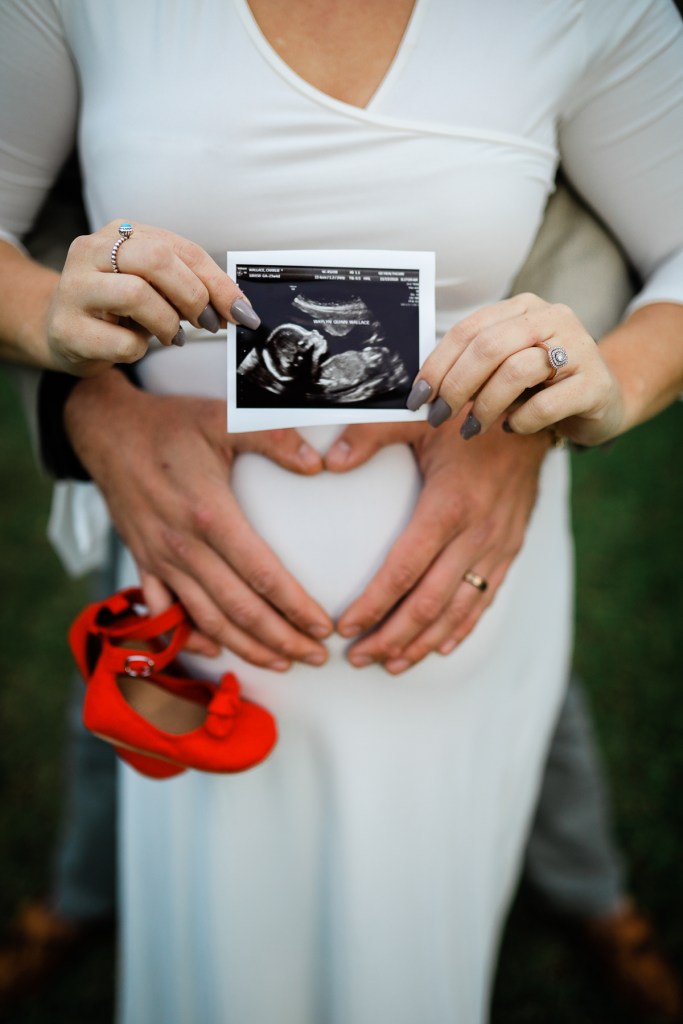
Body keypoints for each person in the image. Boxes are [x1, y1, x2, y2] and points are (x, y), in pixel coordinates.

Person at [1, 3, 682, 1023]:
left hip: (453, 616)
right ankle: (79, 897)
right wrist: (67, 363)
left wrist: (602, 390)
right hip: (185, 598)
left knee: (412, 953)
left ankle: (593, 901)